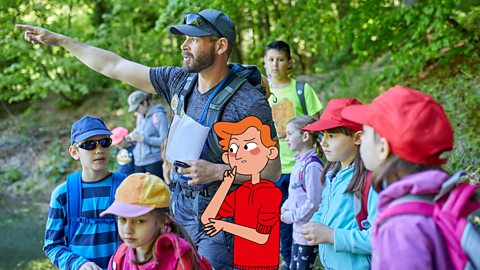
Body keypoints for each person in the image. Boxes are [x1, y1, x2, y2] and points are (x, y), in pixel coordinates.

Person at [17, 9, 281, 269]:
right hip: (177, 212)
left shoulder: (248, 102)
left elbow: (272, 170)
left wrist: (218, 171)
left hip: (221, 224)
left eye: (194, 39)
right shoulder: (179, 81)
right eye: (184, 39)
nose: (184, 46)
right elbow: (114, 65)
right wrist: (61, 40)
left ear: (221, 45)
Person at [341, 85, 455, 269]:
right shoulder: (444, 194)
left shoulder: (399, 228)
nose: (361, 142)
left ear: (382, 148)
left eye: (366, 133)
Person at [264, 40, 323, 268]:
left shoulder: (302, 90)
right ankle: (289, 261)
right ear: (265, 63)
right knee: (282, 220)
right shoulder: (261, 92)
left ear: (289, 62)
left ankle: (307, 259)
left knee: (305, 214)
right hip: (273, 169)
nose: (275, 64)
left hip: (301, 168)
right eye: (271, 60)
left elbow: (318, 123)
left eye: (280, 59)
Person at [300, 98, 378, 270]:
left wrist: (331, 236)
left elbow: (378, 238)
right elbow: (324, 207)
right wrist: (315, 223)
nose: (323, 142)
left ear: (358, 138)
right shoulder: (333, 172)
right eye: (322, 135)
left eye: (332, 136)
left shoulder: (371, 180)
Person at [43, 116, 127, 270]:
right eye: (89, 145)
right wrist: (78, 264)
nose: (99, 150)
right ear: (74, 152)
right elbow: (52, 245)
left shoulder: (126, 187)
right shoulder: (62, 195)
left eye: (104, 142)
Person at [201, 116, 282, 269]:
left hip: (263, 264)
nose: (238, 155)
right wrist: (226, 184)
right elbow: (208, 218)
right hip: (241, 263)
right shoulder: (242, 192)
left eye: (249, 147)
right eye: (233, 149)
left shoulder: (271, 193)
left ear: (270, 152)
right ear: (226, 157)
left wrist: (223, 225)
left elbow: (261, 237)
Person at [100, 172, 211, 270]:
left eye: (140, 221)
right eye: (122, 219)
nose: (128, 230)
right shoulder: (120, 256)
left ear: (164, 220)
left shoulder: (180, 259)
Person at [281, 116, 324, 270]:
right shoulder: (299, 162)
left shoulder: (312, 166)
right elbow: (294, 192)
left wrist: (290, 216)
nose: (286, 139)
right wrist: (285, 207)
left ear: (305, 136)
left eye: (290, 134)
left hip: (307, 233)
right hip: (298, 231)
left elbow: (314, 203)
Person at [125, 90, 168, 178]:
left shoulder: (158, 116)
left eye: (136, 108)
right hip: (139, 163)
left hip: (154, 162)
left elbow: (164, 141)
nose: (135, 112)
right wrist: (132, 137)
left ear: (144, 102)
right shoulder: (140, 117)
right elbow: (138, 132)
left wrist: (143, 139)